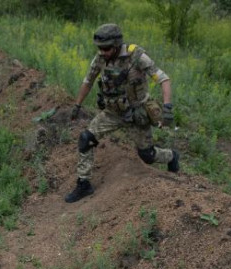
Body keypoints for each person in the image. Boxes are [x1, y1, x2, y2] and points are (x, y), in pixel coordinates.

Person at [66, 23, 179, 203]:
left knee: (147, 156)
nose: (103, 52)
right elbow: (88, 81)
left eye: (107, 48)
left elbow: (163, 79)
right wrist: (77, 106)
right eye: (100, 48)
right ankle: (83, 184)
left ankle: (171, 156)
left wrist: (167, 107)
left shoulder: (136, 57)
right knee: (86, 139)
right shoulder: (100, 59)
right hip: (112, 112)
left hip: (137, 113)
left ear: (117, 44)